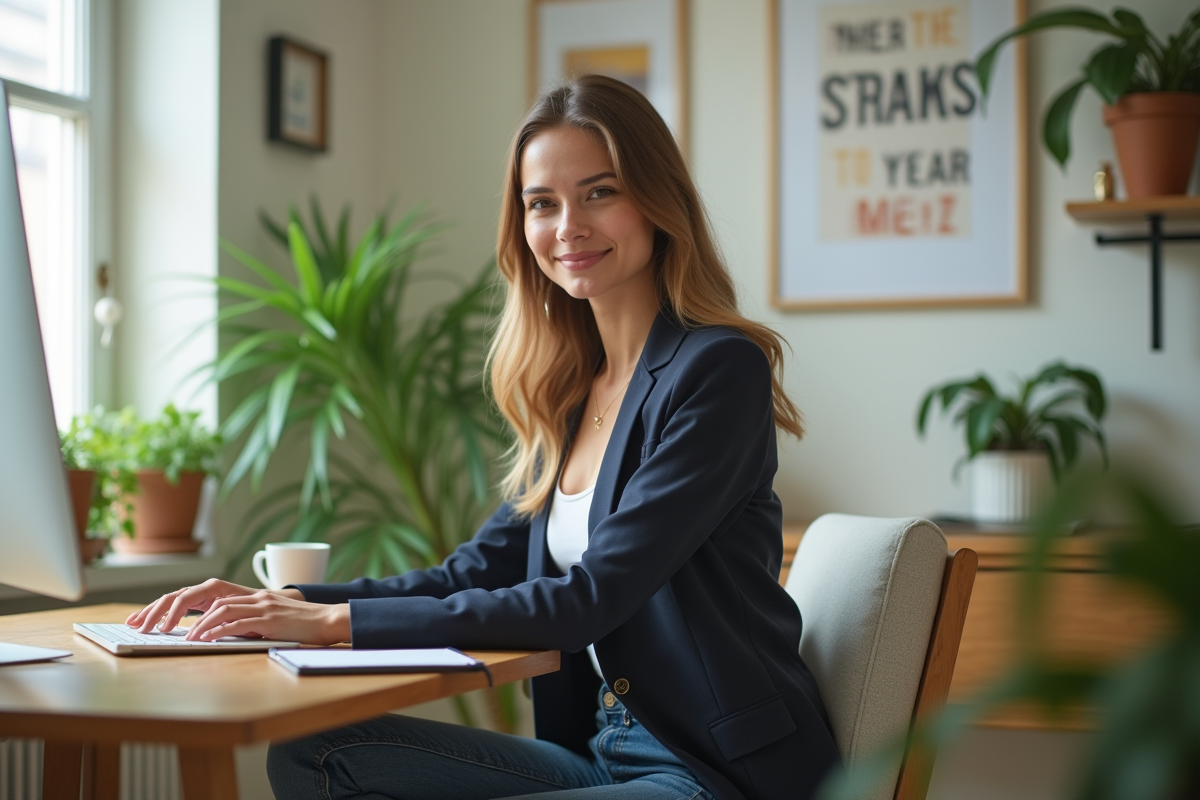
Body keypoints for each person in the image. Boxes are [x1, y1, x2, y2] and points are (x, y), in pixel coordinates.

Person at [127, 75, 840, 800]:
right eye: (542, 203)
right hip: (605, 751)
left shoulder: (716, 370)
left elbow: (590, 598)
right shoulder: (571, 390)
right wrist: (281, 604)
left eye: (600, 192)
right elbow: (469, 575)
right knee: (319, 753)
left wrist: (334, 623)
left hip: (714, 771)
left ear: (659, 201)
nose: (568, 227)